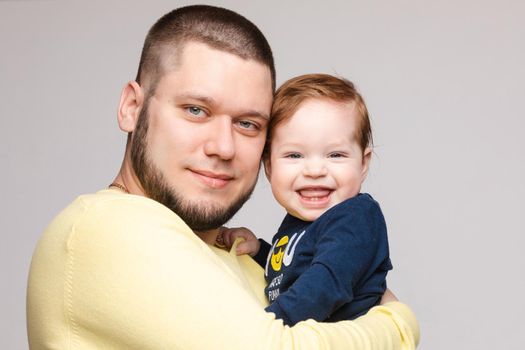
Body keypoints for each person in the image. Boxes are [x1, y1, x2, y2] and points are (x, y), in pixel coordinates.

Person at [27, 5, 419, 349]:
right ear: (132, 107)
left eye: (248, 123)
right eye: (196, 110)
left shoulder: (236, 254)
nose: (223, 147)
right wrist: (399, 324)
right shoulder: (108, 228)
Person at [221, 74, 392, 327]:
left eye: (335, 154)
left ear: (363, 163)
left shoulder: (354, 217)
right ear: (268, 166)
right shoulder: (300, 222)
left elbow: (325, 283)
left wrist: (267, 325)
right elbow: (296, 269)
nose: (314, 170)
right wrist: (260, 252)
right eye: (294, 155)